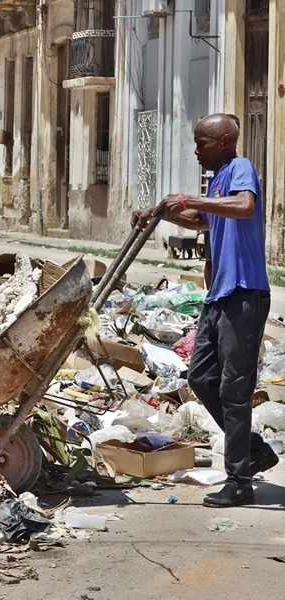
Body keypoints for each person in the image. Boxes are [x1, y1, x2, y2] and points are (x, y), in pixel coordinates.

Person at [132, 113, 278, 507]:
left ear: (226, 141)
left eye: (202, 143)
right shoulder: (217, 181)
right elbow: (200, 219)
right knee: (199, 377)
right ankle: (254, 451)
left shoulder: (240, 169)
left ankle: (239, 481)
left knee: (234, 388)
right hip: (218, 296)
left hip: (244, 295)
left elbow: (245, 206)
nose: (196, 150)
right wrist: (159, 211)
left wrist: (186, 199)